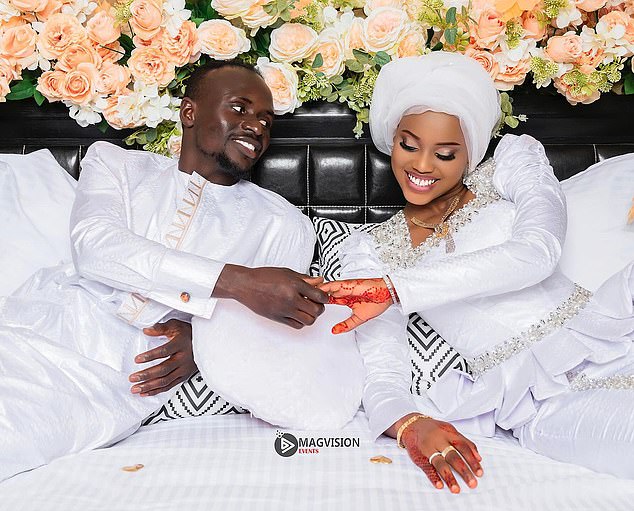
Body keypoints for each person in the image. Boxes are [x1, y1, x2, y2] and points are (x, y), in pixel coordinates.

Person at [0, 60, 328, 482]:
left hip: (120, 374)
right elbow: (95, 246)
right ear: (190, 113)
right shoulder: (116, 165)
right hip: (37, 324)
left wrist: (205, 342)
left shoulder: (284, 223)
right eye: (240, 109)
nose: (256, 127)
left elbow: (273, 322)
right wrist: (239, 281)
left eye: (266, 120)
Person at [321, 52, 634, 491]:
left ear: (470, 151)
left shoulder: (510, 163)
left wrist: (397, 289)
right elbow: (383, 369)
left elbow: (537, 252)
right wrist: (410, 422)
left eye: (445, 153)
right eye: (409, 145)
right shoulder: (368, 252)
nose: (423, 166)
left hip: (609, 335)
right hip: (535, 402)